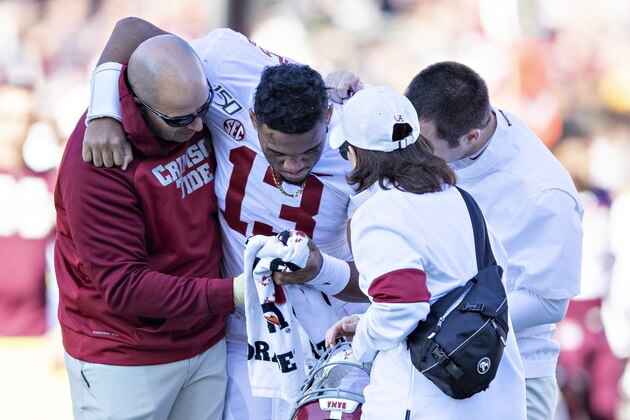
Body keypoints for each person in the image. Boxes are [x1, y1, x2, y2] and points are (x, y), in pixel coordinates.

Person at [80, 17, 368, 420]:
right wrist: (103, 109)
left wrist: (323, 270)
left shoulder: (361, 141)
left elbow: (384, 279)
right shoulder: (225, 66)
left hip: (328, 332)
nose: (294, 165)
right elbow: (134, 32)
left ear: (327, 121)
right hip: (241, 333)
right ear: (253, 120)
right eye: (277, 152)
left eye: (310, 152)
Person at [328, 61, 584, 420]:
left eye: (423, 144)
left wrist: (410, 318)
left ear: (470, 138)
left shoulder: (544, 191)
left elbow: (549, 302)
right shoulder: (438, 130)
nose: (409, 151)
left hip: (515, 370)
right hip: (424, 363)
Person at [54, 34, 236, 419]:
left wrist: (103, 101)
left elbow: (132, 26)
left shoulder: (180, 93)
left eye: (203, 106)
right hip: (124, 356)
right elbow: (124, 287)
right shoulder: (98, 161)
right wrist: (234, 295)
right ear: (138, 103)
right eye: (181, 119)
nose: (200, 125)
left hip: (204, 340)